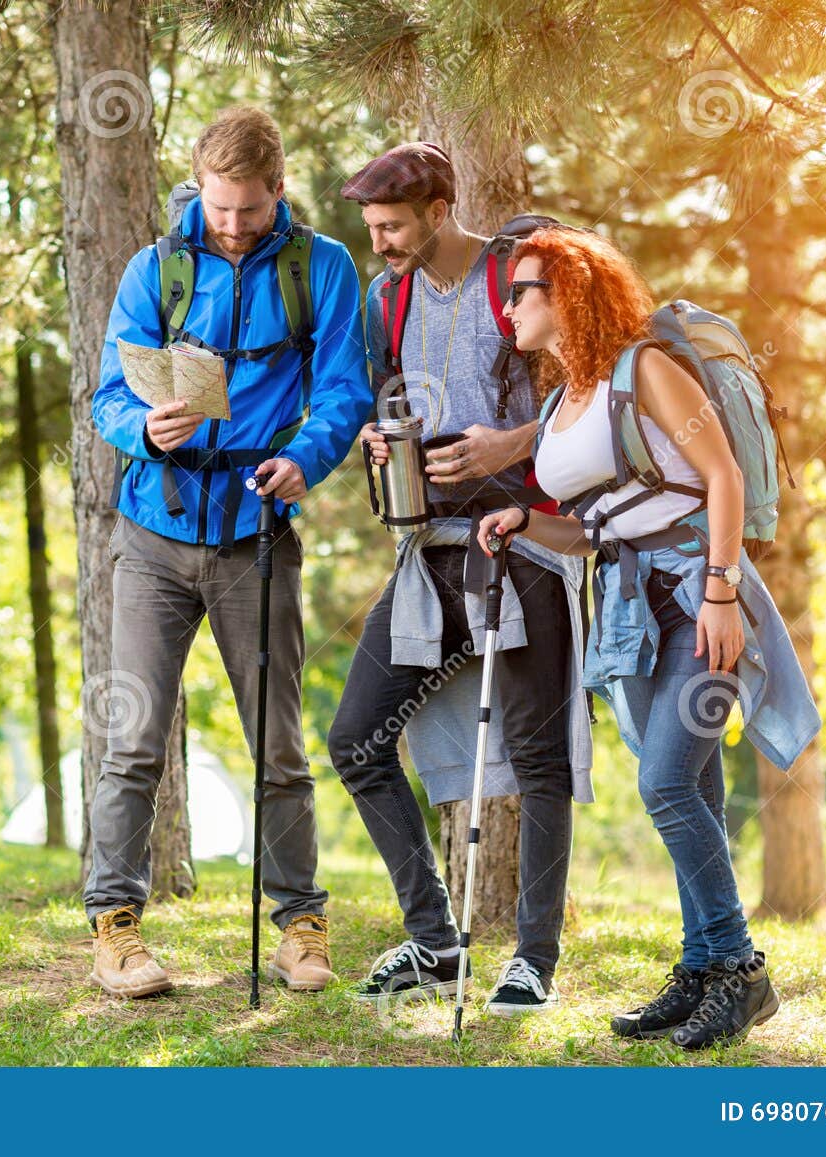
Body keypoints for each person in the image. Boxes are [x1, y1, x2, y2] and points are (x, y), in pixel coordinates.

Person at [477, 223, 821, 1049]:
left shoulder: (647, 369)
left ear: (566, 293)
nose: (508, 308)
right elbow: (596, 532)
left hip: (701, 595)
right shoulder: (564, 401)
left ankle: (741, 969)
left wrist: (722, 593)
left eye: (520, 291)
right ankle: (701, 967)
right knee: (691, 789)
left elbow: (724, 478)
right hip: (634, 609)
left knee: (667, 781)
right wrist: (527, 519)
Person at [85, 107, 371, 998]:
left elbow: (345, 391)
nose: (233, 225)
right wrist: (147, 428)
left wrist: (306, 459)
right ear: (199, 192)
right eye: (219, 208)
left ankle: (299, 926)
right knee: (134, 739)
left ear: (277, 190)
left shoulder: (320, 267)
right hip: (154, 536)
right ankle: (115, 926)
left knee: (278, 744)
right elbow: (105, 399)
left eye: (248, 209)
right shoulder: (154, 269)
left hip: (257, 532)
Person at [328, 142, 594, 1016]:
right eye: (372, 229)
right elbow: (389, 397)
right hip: (428, 548)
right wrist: (379, 436)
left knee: (536, 755)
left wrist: (507, 446)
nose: (382, 244)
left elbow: (591, 385)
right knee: (359, 740)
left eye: (395, 227)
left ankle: (534, 959)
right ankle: (436, 943)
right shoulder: (387, 296)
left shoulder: (516, 274)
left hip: (519, 540)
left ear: (440, 210)